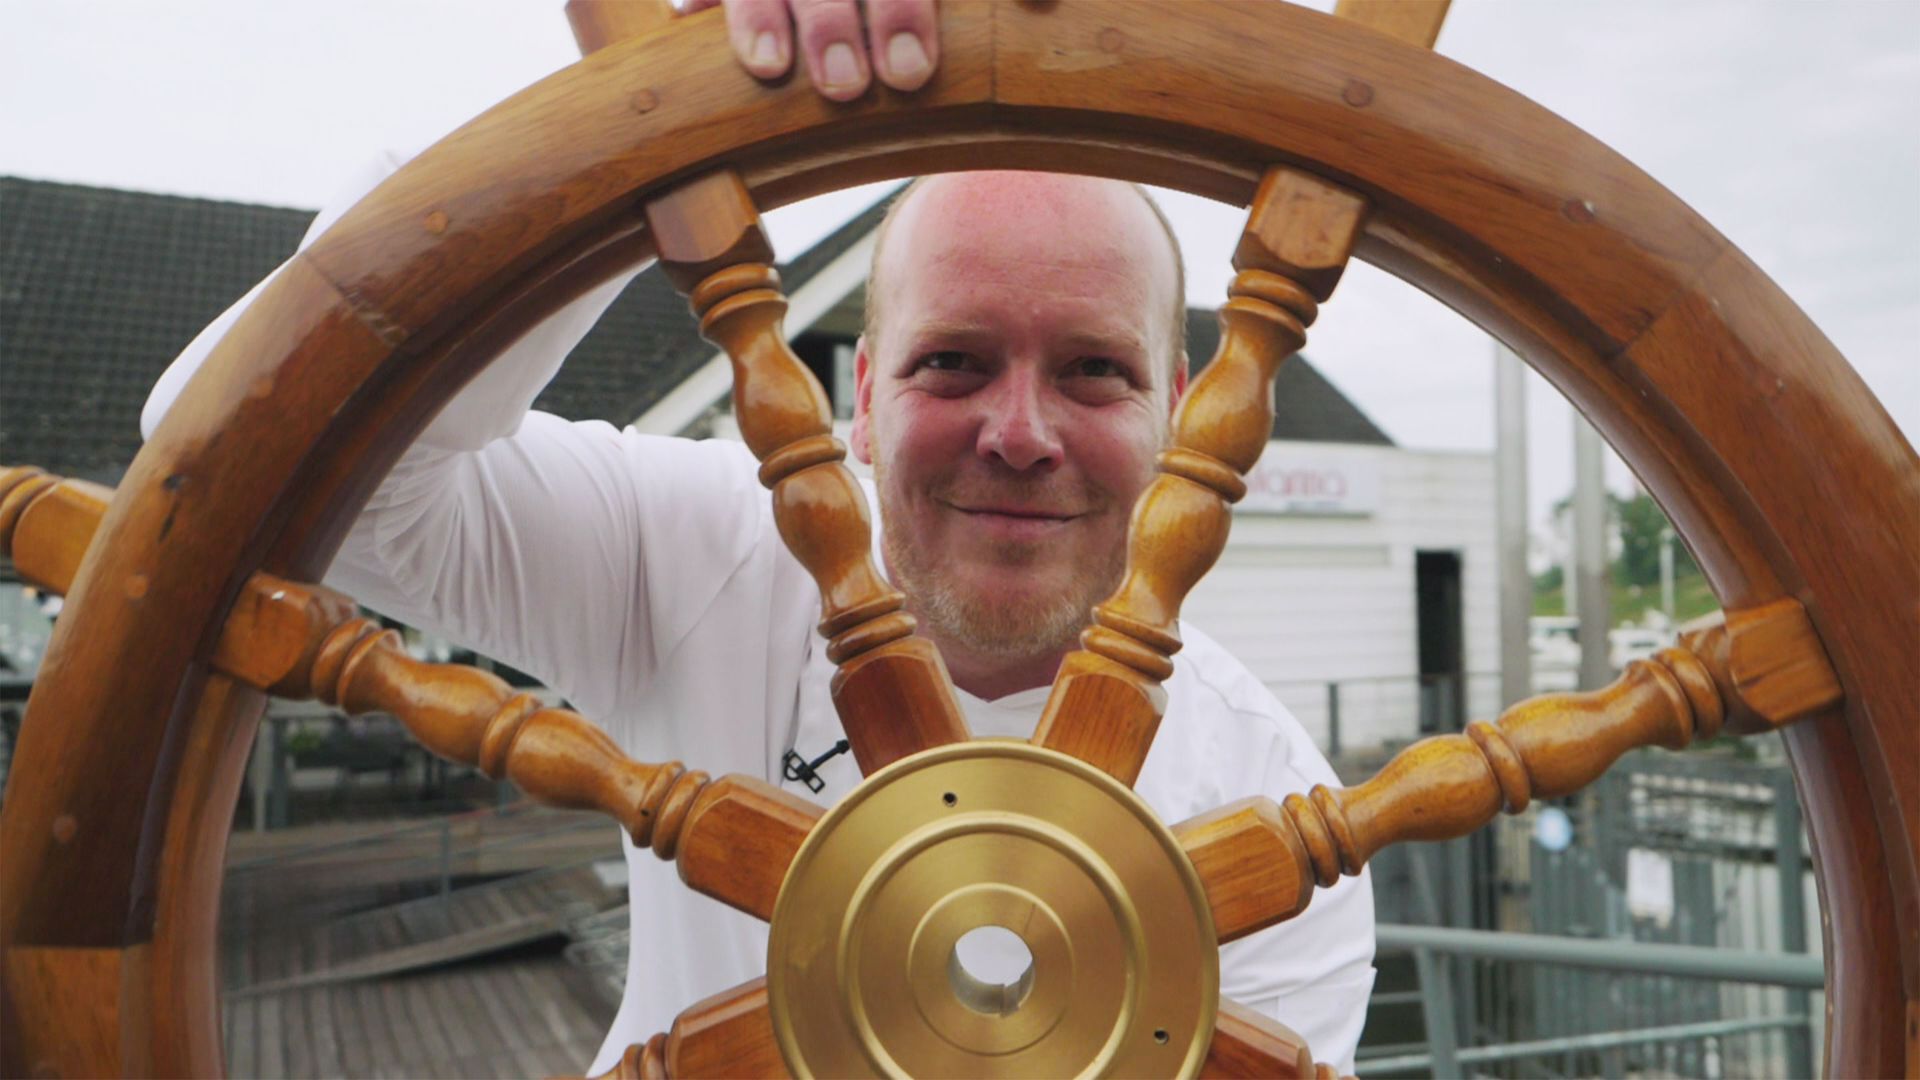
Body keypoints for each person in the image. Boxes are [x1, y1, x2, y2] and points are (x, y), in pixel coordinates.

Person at [144, 2, 1376, 1071]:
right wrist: (646, 114)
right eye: (952, 361)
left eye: (1094, 372)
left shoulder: (1275, 819)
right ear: (859, 407)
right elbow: (230, 450)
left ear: (1181, 412)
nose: (1018, 432)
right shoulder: (694, 553)